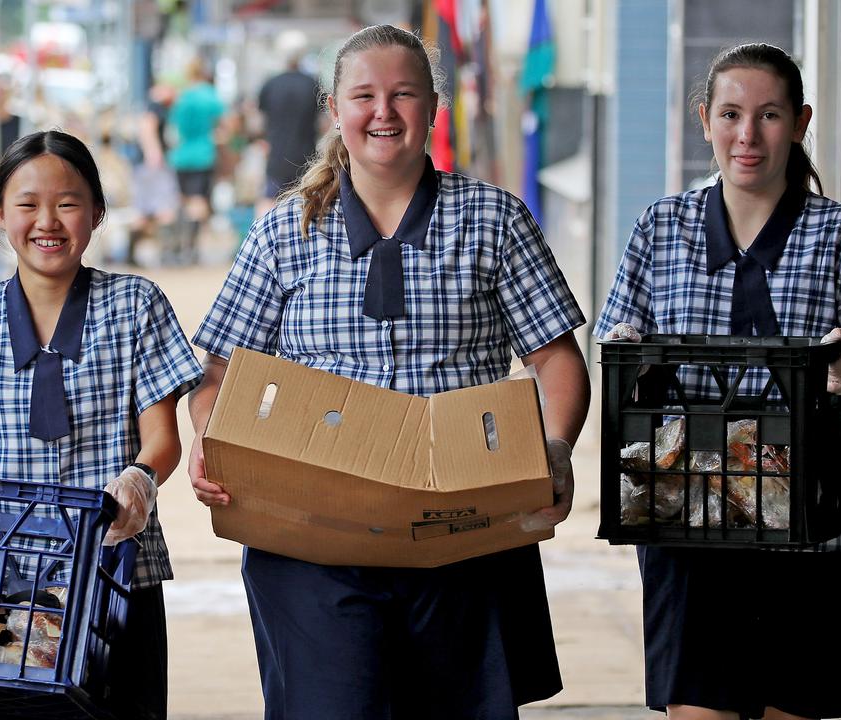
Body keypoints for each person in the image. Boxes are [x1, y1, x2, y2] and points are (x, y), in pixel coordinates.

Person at [188, 24, 589, 719]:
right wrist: (209, 443)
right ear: (334, 109)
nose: (384, 112)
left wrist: (553, 449)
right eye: (364, 95)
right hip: (311, 537)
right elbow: (219, 374)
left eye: (403, 94)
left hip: (466, 529)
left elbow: (555, 359)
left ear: (433, 106)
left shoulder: (493, 220)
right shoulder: (285, 232)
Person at [595, 43, 841, 720]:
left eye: (769, 115)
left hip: (807, 527)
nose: (748, 134)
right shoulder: (660, 228)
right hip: (687, 526)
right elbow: (618, 356)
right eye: (732, 114)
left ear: (800, 122)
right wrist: (631, 357)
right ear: (704, 119)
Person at [0, 129, 202, 720]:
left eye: (67, 203)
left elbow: (162, 438)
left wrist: (138, 479)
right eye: (27, 204)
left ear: (97, 213)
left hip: (113, 580)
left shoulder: (136, 306)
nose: (48, 222)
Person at [256, 30, 323, 217]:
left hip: (276, 156)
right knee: (307, 204)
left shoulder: (270, 85)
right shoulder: (312, 84)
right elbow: (324, 121)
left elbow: (259, 122)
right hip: (307, 157)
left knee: (268, 201)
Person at [168, 59, 226, 264]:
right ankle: (190, 248)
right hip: (203, 154)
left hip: (181, 155)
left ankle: (177, 246)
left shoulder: (182, 97)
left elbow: (173, 127)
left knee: (184, 200)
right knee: (199, 200)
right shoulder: (209, 95)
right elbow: (225, 122)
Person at [126, 83, 181, 266]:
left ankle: (130, 254)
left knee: (143, 211)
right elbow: (147, 128)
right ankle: (167, 254)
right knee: (165, 209)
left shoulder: (153, 106)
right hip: (153, 164)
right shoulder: (155, 107)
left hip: (144, 165)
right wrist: (154, 152)